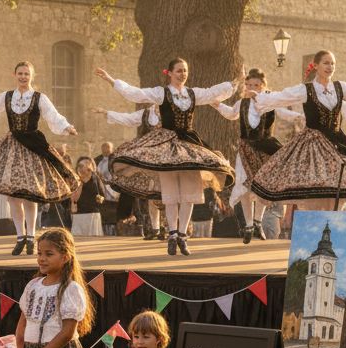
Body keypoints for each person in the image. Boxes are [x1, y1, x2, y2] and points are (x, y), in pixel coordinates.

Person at [95, 58, 237, 256]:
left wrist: (234, 83)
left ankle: (182, 235)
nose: (182, 74)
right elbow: (137, 93)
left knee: (189, 194)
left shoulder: (192, 93)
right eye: (178, 71)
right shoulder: (161, 93)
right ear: (169, 73)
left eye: (185, 71)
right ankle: (171, 234)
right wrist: (112, 80)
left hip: (188, 143)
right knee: (170, 195)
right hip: (167, 144)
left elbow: (212, 92)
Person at [0, 61, 79, 256]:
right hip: (13, 147)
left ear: (31, 76)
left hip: (32, 146)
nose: (23, 77)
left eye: (26, 74)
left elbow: (53, 115)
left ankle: (31, 236)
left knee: (30, 195)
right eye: (20, 73)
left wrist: (67, 127)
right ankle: (20, 237)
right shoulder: (7, 96)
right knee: (13, 197)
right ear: (15, 75)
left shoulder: (39, 98)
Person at [249, 51, 346, 213]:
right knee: (316, 187)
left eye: (332, 63)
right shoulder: (306, 90)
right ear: (316, 65)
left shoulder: (340, 88)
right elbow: (283, 97)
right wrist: (258, 97)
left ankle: (333, 223)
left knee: (345, 184)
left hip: (338, 143)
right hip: (314, 144)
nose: (330, 67)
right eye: (326, 63)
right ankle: (316, 225)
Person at [213, 68, 304, 242]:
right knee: (244, 186)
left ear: (263, 86)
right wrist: (217, 104)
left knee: (262, 187)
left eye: (255, 85)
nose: (251, 88)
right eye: (248, 85)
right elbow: (232, 114)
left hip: (265, 148)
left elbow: (283, 112)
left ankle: (257, 221)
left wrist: (298, 117)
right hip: (246, 148)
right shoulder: (242, 103)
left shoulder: (269, 101)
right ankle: (248, 225)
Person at [93, 106, 165, 240]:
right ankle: (154, 228)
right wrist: (108, 112)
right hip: (148, 159)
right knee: (150, 195)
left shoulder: (171, 111)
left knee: (167, 196)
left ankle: (168, 228)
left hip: (165, 157)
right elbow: (128, 118)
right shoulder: (146, 113)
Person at [70, 157, 104, 237]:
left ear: (91, 166)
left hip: (93, 214)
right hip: (79, 214)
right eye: (80, 165)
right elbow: (74, 199)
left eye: (84, 165)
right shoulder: (76, 180)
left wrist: (100, 199)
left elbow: (102, 195)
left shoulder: (95, 179)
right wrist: (80, 182)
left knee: (94, 240)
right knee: (78, 239)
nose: (82, 168)